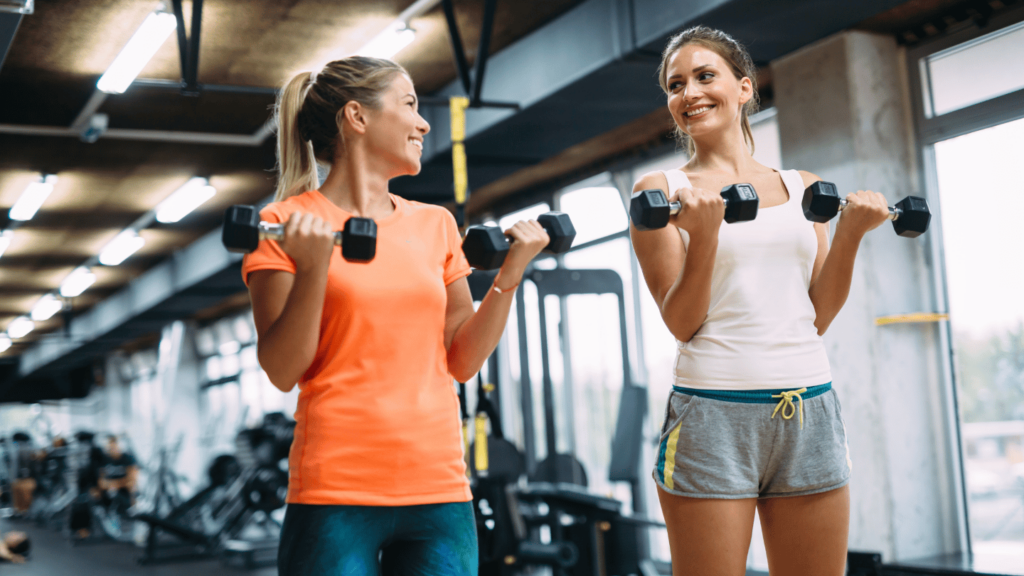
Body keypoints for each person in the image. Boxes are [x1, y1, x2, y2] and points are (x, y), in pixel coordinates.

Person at [243, 56, 550, 576]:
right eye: (410, 104)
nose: (424, 123)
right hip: (334, 489)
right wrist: (314, 268)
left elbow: (461, 360)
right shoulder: (286, 223)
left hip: (438, 487)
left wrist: (509, 277)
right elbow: (281, 369)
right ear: (357, 117)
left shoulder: (435, 224)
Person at [630, 26, 893, 576]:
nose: (689, 93)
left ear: (744, 87)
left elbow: (816, 315)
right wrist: (703, 238)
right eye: (675, 85)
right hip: (714, 414)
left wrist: (849, 237)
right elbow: (682, 321)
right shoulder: (661, 192)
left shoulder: (803, 187)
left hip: (810, 409)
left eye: (705, 76)